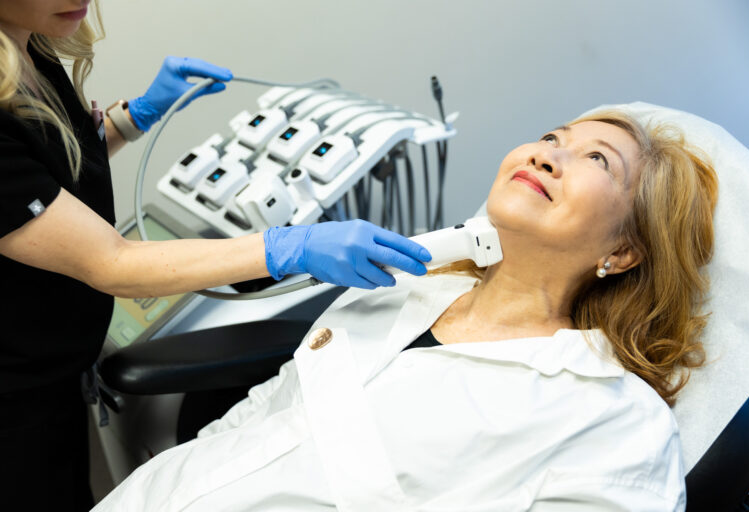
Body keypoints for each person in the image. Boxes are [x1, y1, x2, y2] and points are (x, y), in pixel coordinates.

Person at [91, 110, 718, 511]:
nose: (545, 153)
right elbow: (264, 415)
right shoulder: (400, 290)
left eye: (597, 159)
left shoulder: (613, 421)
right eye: (553, 136)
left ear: (625, 249)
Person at [0, 1, 431, 510]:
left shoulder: (28, 48)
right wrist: (288, 247)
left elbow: (55, 171)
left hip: (49, 372)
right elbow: (110, 262)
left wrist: (135, 116)